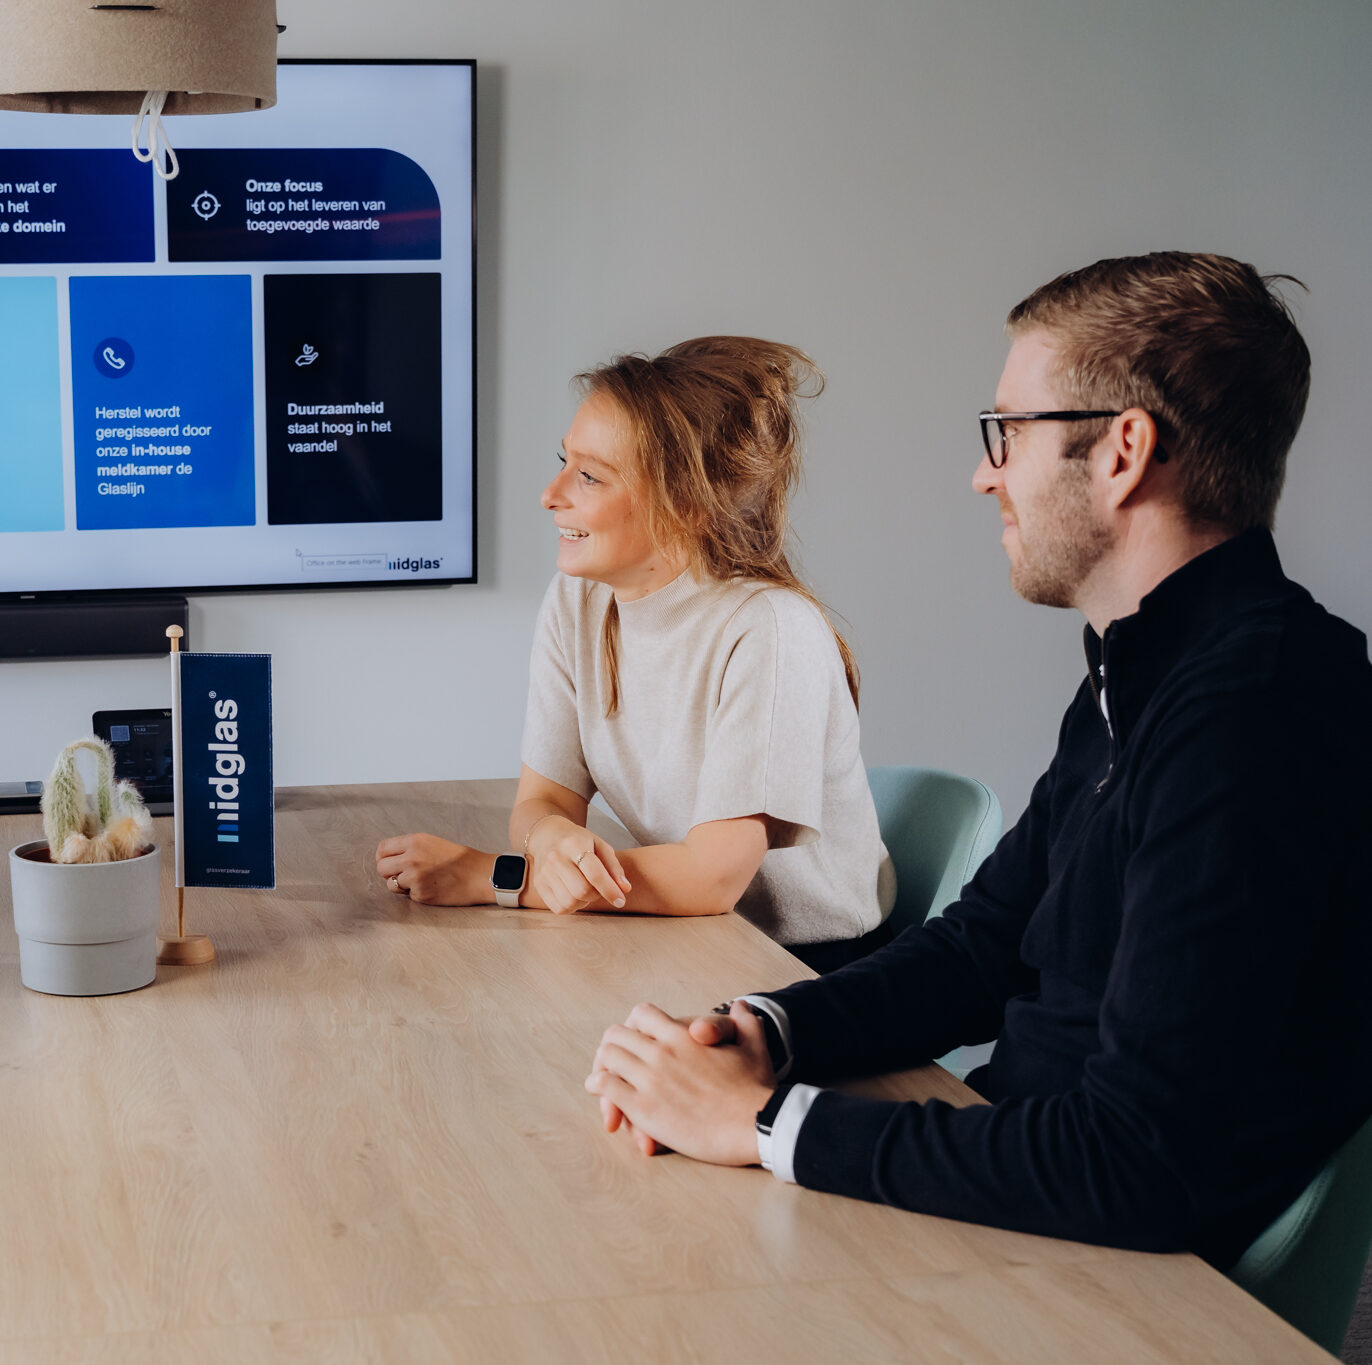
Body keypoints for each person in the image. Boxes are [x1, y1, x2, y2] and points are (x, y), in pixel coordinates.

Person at [584, 253, 1372, 1267]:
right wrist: (765, 1033)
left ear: (1122, 451)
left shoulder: (1252, 712)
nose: (983, 471)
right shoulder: (1142, 673)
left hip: (1113, 1279)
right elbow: (981, 949)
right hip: (1023, 1205)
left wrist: (763, 1125)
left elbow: (1136, 1161)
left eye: (1007, 431)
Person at [376, 336, 895, 969]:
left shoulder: (769, 630)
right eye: (563, 461)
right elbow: (542, 801)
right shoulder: (577, 601)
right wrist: (553, 837)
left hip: (807, 965)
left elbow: (710, 879)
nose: (550, 493)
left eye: (588, 475)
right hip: (687, 933)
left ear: (685, 504)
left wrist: (497, 877)